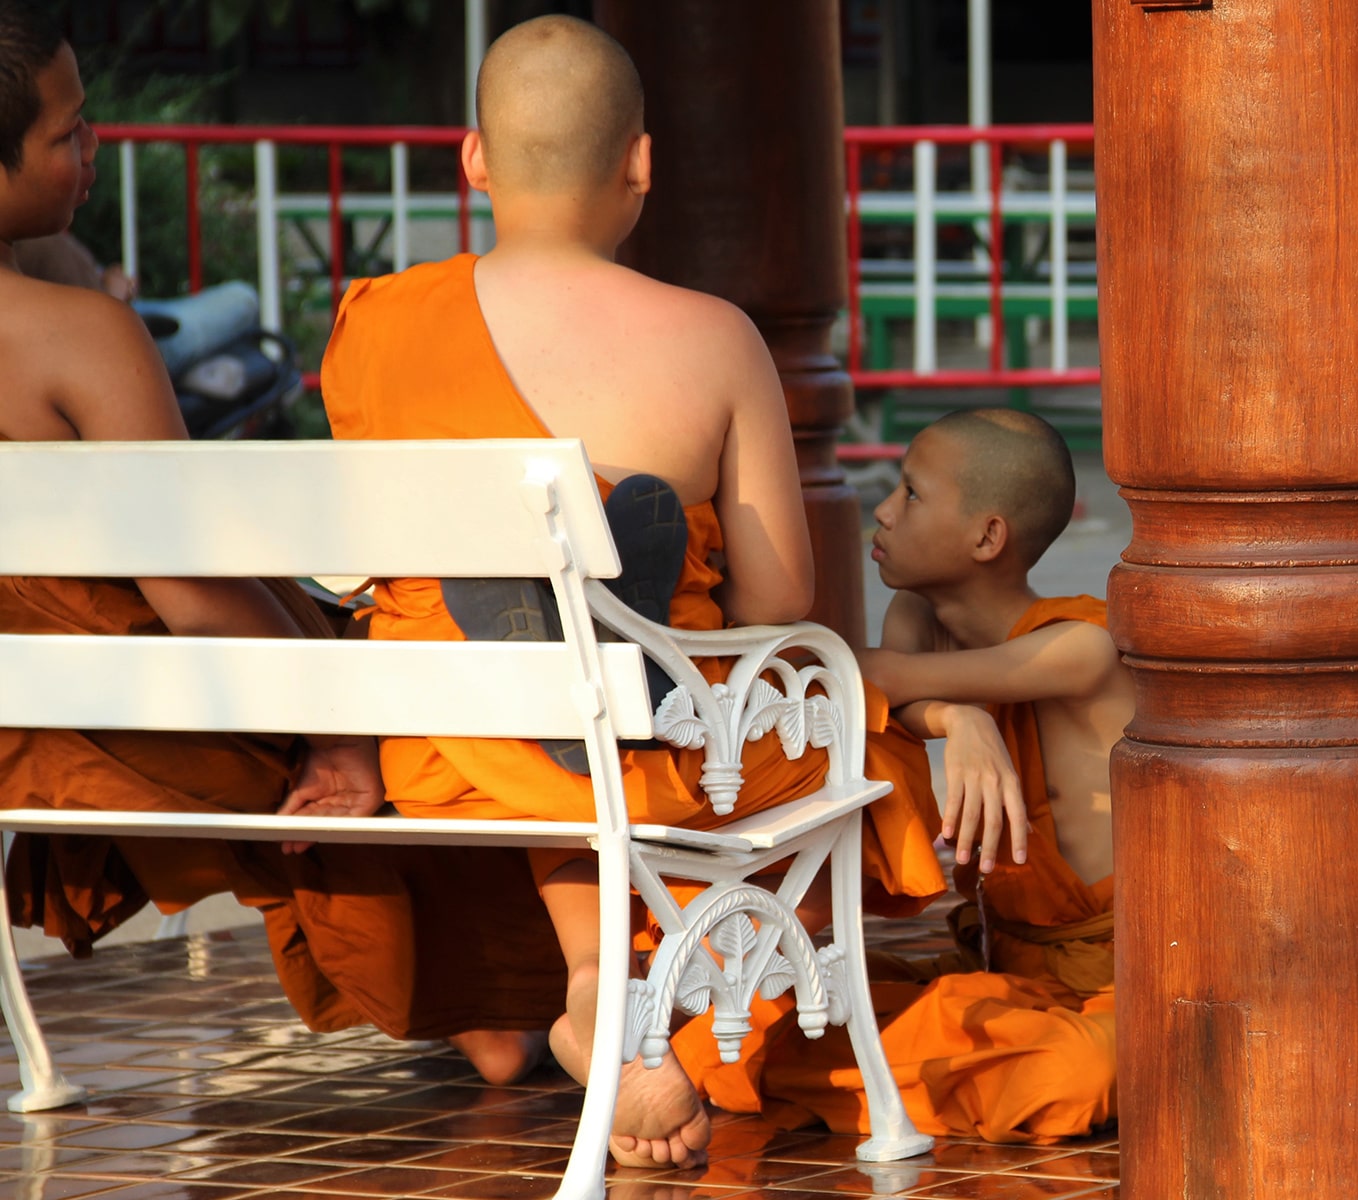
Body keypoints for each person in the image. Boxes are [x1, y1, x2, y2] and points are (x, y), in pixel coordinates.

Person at [319, 15, 944, 1168]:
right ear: (643, 164)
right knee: (808, 724)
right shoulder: (714, 339)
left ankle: (598, 974)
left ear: (473, 161)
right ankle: (680, 1005)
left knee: (542, 709)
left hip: (448, 738)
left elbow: (360, 564)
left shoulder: (378, 326)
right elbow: (779, 597)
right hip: (663, 744)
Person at [0, 0, 564, 1087]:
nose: (94, 147)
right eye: (68, 133)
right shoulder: (82, 342)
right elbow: (199, 602)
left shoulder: (60, 314)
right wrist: (342, 725)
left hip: (29, 719)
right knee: (392, 687)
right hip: (136, 725)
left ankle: (488, 1008)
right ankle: (508, 1005)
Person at [671, 408, 1132, 1144]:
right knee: (802, 992)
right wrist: (957, 719)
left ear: (987, 536)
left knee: (1087, 1069)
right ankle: (794, 1072)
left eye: (912, 494)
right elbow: (866, 680)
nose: (882, 509)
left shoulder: (1083, 647)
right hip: (1001, 970)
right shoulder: (919, 614)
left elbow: (872, 674)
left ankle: (745, 1078)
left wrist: (942, 707)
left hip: (1117, 986)